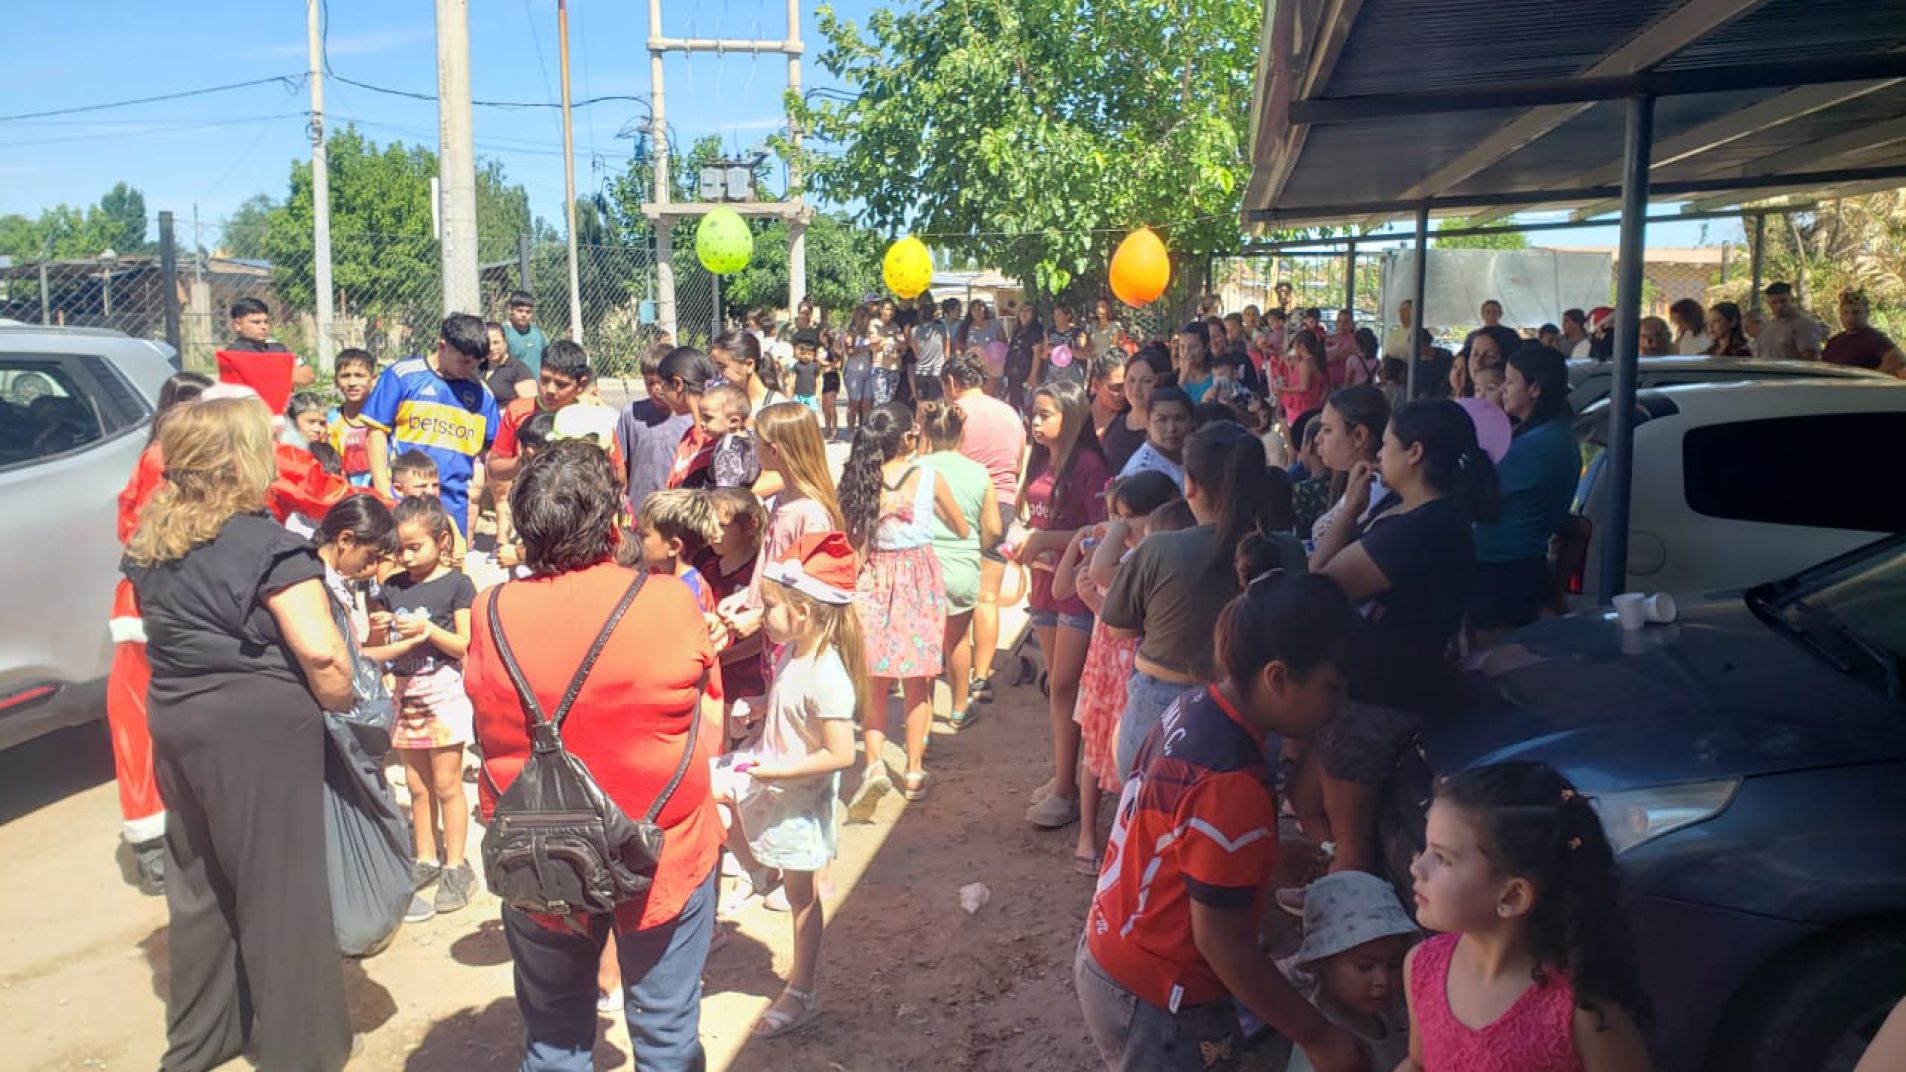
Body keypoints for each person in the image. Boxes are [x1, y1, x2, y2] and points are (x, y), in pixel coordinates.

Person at [466, 440, 723, 1072]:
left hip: (540, 855)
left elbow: (485, 717)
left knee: (554, 1042)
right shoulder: (667, 599)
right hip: (662, 850)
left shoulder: (490, 610)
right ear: (616, 523)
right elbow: (709, 728)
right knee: (666, 1033)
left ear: (524, 531)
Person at [122, 396, 354, 1071]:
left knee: (200, 884)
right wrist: (340, 704)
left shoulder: (152, 540)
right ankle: (300, 1049)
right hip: (258, 733)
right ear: (241, 460)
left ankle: (205, 1037)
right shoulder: (269, 546)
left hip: (176, 717)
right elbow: (322, 654)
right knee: (280, 889)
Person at [1077, 572, 1370, 1072]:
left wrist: (1258, 859)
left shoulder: (1196, 708)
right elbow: (1222, 942)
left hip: (1111, 954)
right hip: (1163, 1001)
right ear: (1277, 677)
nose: (1338, 706)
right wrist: (1320, 1036)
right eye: (1331, 687)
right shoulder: (1232, 781)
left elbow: (1170, 829)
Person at [1298, 400, 1497, 879]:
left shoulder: (1420, 530)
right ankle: (1336, 901)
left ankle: (1348, 937)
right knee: (1310, 799)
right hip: (1370, 683)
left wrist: (1348, 508)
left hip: (1379, 695)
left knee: (1352, 836)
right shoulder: (1408, 509)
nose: (1379, 454)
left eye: (1386, 444)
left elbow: (1319, 583)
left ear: (1414, 452)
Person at [1400, 762, 1654, 1072]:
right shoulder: (1422, 967)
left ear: (1511, 896)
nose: (1417, 867)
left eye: (1442, 858)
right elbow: (1417, 1063)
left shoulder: (1584, 1014)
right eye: (1425, 848)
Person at [720, 532, 872, 1039]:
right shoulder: (794, 655)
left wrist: (777, 771)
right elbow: (794, 709)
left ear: (803, 613)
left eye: (770, 607)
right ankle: (758, 873)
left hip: (799, 801)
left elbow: (841, 753)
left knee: (803, 897)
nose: (763, 615)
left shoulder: (828, 675)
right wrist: (764, 708)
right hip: (775, 784)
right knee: (715, 798)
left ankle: (801, 990)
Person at [1100, 419, 1300, 779]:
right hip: (1256, 712)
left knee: (1152, 823)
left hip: (1163, 709)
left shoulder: (1160, 548)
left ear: (1189, 485)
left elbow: (1118, 627)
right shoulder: (1287, 550)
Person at [107, 371, 214, 896]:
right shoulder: (161, 463)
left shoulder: (199, 462)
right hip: (150, 609)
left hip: (185, 604)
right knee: (142, 724)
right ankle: (153, 844)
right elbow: (144, 536)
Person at [838, 401, 968, 811]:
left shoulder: (862, 479)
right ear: (908, 438)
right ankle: (912, 770)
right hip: (919, 580)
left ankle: (873, 764)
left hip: (873, 579)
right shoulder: (928, 475)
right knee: (919, 682)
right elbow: (962, 525)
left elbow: (854, 542)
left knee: (874, 682)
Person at [1056, 471, 1182, 874]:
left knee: (1140, 755)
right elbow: (1067, 589)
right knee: (1094, 749)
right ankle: (1089, 835)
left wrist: (1094, 597)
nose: (1119, 528)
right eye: (1116, 517)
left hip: (1137, 666)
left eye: (1128, 519)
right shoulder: (1122, 556)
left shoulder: (1146, 562)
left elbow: (1122, 616)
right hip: (1107, 666)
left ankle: (1129, 840)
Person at [365, 496, 478, 922]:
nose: (407, 556)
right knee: (416, 784)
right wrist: (377, 629)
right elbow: (377, 652)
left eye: (416, 547)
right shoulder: (391, 588)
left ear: (441, 540)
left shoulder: (457, 585)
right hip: (406, 696)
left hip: (444, 695)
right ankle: (426, 857)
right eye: (401, 548)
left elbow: (466, 644)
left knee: (447, 783)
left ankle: (455, 865)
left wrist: (429, 628)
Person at [1016, 381, 1112, 830]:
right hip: (1041, 585)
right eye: (1034, 414)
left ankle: (1065, 790)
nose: (1036, 423)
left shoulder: (1090, 467)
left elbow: (1103, 530)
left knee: (1064, 687)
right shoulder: (1038, 459)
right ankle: (1061, 778)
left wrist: (1045, 542)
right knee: (1058, 687)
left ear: (1070, 417)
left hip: (1077, 590)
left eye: (1045, 415)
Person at [1469, 346, 1577, 646]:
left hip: (1505, 574)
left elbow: (1472, 489)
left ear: (1535, 389)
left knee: (1493, 666)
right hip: (1507, 568)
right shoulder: (1544, 435)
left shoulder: (1542, 445)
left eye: (1510, 381)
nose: (1503, 389)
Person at [937, 352, 1026, 706]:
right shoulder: (1008, 413)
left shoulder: (955, 415)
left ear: (953, 384)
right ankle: (981, 677)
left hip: (959, 506)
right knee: (987, 597)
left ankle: (953, 665)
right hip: (1002, 505)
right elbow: (1019, 461)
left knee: (954, 594)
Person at [363, 313, 500, 540]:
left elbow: (490, 451)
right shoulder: (402, 377)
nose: (471, 368)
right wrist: (382, 490)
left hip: (454, 507)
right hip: (404, 501)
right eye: (464, 361)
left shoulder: (482, 395)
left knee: (450, 571)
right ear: (442, 345)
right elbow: (376, 433)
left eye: (477, 363)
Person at [1266, 871, 1418, 1072]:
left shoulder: (1381, 1014)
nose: (1383, 980)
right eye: (1365, 967)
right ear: (1323, 961)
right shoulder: (1326, 1038)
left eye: (1393, 965)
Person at [914, 398, 1002, 729]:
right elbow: (993, 528)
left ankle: (918, 719)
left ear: (926, 432)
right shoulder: (979, 473)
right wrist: (974, 546)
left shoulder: (915, 469)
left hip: (921, 565)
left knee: (923, 646)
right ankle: (958, 709)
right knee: (958, 640)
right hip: (962, 566)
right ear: (962, 434)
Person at [488, 339, 603, 550]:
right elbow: (494, 468)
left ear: (581, 383)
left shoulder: (594, 418)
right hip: (530, 523)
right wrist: (523, 461)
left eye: (561, 384)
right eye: (545, 380)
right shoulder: (518, 411)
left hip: (578, 525)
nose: (550, 390)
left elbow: (618, 476)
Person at [695, 487, 771, 717]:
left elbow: (762, 635)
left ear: (750, 526)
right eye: (708, 524)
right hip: (715, 679)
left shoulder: (755, 578)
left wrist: (724, 658)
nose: (713, 533)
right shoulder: (708, 569)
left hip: (747, 682)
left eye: (721, 525)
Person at [635, 489, 723, 613]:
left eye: (643, 535)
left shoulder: (691, 592)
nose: (636, 540)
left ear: (674, 546)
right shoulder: (654, 572)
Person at [1100, 346, 1166, 474]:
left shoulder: (1167, 430)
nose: (1136, 388)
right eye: (1131, 380)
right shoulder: (1116, 422)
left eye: (1146, 381)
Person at [225, 296, 315, 387]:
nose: (263, 327)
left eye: (266, 322)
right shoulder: (235, 352)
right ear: (237, 325)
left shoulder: (277, 347)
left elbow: (308, 375)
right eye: (256, 322)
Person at [1116, 384, 1192, 486]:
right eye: (1162, 420)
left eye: (1179, 419)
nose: (1171, 428)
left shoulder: (1192, 457)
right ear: (1147, 423)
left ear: (1191, 422)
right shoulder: (1143, 472)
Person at [324, 348, 377, 487]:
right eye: (345, 376)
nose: (352, 382)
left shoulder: (384, 419)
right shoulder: (329, 421)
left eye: (359, 375)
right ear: (335, 380)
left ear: (373, 379)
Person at [1823, 289, 1906, 375]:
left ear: (1867, 313)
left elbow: (1898, 359)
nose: (1850, 317)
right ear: (1840, 314)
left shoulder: (1874, 338)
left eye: (1856, 312)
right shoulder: (1834, 341)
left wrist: (1870, 380)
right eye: (1845, 313)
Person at [696, 383, 762, 490]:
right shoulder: (752, 436)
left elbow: (726, 489)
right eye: (701, 417)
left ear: (734, 421)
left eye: (708, 418)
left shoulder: (727, 448)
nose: (702, 423)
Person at [712, 329, 785, 418]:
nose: (718, 375)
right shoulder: (723, 402)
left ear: (749, 365)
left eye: (723, 367)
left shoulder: (777, 408)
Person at [1757, 282, 1823, 361]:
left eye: (1783, 301)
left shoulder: (1803, 324)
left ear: (1792, 300)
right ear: (1768, 304)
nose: (1779, 306)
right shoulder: (1768, 327)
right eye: (1774, 302)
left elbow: (1810, 359)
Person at [1277, 331, 1330, 427]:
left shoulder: (1305, 364)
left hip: (1301, 405)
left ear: (1301, 347)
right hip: (1311, 403)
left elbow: (1303, 387)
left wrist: (1283, 389)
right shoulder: (1314, 362)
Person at [842, 304, 878, 436]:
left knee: (867, 402)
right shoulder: (851, 333)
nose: (866, 320)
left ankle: (864, 430)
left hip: (868, 370)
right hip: (854, 371)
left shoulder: (870, 332)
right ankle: (850, 430)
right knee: (854, 402)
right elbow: (849, 351)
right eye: (864, 317)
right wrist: (866, 348)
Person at [485, 319, 539, 402]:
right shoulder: (477, 367)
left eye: (496, 343)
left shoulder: (518, 370)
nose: (491, 348)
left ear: (505, 342)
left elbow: (530, 405)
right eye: (487, 344)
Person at [910, 299, 951, 401]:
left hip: (921, 371)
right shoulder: (941, 327)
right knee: (938, 403)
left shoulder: (914, 330)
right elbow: (947, 350)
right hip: (937, 370)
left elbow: (916, 353)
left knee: (922, 404)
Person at [502, 290, 550, 375]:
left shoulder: (537, 333)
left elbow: (548, 356)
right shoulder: (503, 332)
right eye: (520, 311)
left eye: (528, 312)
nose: (524, 315)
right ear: (510, 310)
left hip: (536, 385)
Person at [870, 298, 907, 406]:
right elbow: (874, 345)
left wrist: (898, 344)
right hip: (880, 367)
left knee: (890, 401)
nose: (890, 312)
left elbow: (902, 345)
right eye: (887, 309)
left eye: (892, 310)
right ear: (881, 310)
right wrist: (888, 339)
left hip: (894, 367)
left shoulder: (895, 326)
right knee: (880, 401)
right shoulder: (874, 324)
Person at [1007, 303, 1044, 410]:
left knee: (1028, 407)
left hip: (1026, 375)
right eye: (1022, 310)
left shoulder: (1035, 331)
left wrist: (1033, 375)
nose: (1024, 313)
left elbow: (1037, 353)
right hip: (1014, 375)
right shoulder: (1017, 331)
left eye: (1028, 311)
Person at [1087, 350, 1128, 444]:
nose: (1124, 393)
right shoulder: (1079, 412)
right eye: (1116, 387)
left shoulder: (1131, 419)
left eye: (1128, 386)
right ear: (1096, 385)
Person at [1177, 320, 1217, 403]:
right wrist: (1183, 378)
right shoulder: (1174, 378)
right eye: (1182, 347)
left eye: (1193, 347)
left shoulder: (1216, 376)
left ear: (1206, 347)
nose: (1186, 353)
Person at [788, 332, 824, 413]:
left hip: (811, 395)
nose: (806, 356)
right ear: (800, 354)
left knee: (812, 413)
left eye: (809, 354)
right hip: (798, 394)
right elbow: (793, 379)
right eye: (804, 354)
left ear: (813, 355)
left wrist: (819, 392)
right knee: (798, 412)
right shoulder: (797, 366)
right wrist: (790, 389)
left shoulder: (815, 366)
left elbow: (819, 380)